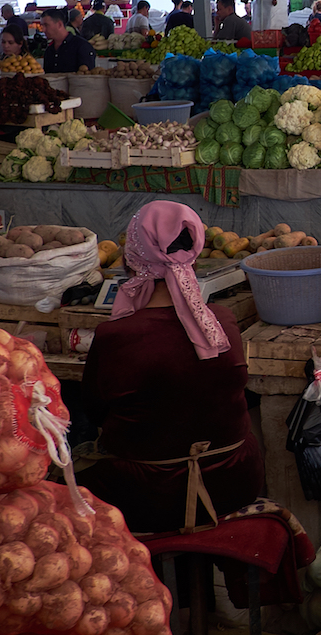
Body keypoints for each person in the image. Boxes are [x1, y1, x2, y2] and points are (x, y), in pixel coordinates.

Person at [78, 201, 263, 533]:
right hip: (235, 481)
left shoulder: (115, 336)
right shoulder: (222, 322)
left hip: (149, 495)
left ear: (132, 262)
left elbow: (94, 411)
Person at [41, 8, 97, 73]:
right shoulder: (49, 50)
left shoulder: (82, 46)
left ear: (59, 24)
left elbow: (88, 75)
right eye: (42, 26)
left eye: (46, 25)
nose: (43, 29)